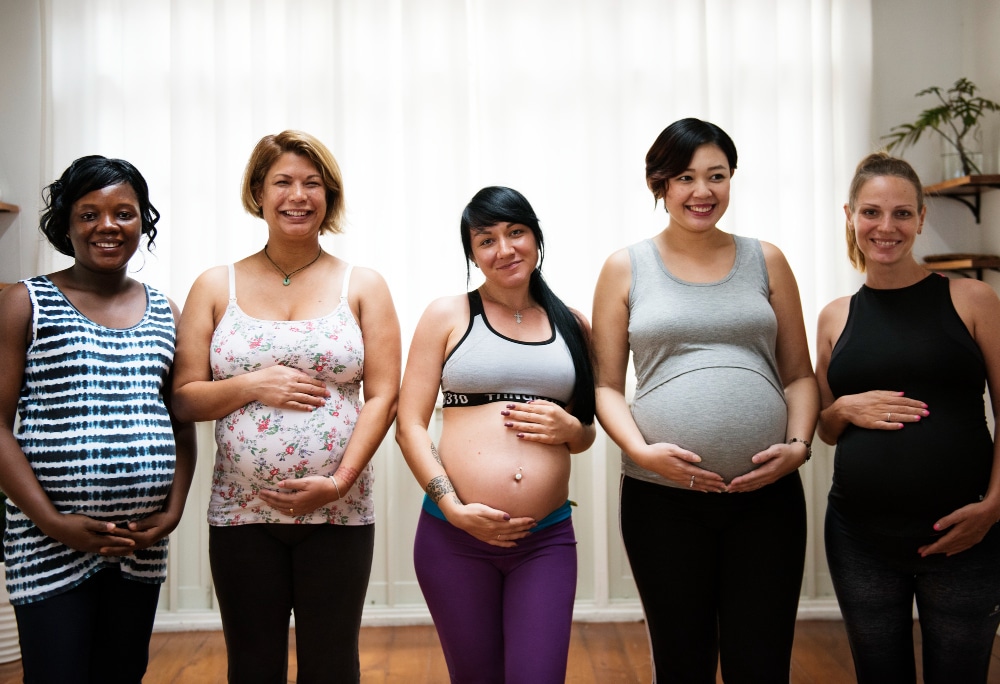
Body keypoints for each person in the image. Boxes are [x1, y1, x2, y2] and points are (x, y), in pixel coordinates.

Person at [591, 117, 819, 682]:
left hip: (766, 496)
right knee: (682, 659)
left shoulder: (767, 260)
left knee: (761, 661)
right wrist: (643, 453)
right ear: (659, 184)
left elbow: (800, 376)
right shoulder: (626, 267)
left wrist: (798, 445)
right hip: (662, 499)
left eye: (716, 176)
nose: (702, 192)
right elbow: (605, 387)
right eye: (686, 177)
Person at [172, 130, 401, 683]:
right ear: (257, 193)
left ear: (329, 196)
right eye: (283, 182)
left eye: (312, 183)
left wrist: (341, 480)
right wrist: (254, 385)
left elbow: (386, 394)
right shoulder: (214, 285)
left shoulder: (363, 284)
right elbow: (183, 397)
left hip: (339, 511)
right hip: (242, 512)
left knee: (332, 664)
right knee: (252, 666)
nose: (297, 195)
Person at [0, 155, 197, 683]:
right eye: (89, 214)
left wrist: (172, 511)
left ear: (143, 223)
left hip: (138, 546)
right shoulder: (26, 302)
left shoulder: (166, 310)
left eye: (124, 213)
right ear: (65, 223)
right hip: (48, 541)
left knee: (122, 671)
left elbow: (180, 421)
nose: (108, 226)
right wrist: (52, 521)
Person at [395, 186, 596, 683]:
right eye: (486, 240)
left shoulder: (573, 325)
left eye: (516, 233)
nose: (504, 249)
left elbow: (584, 433)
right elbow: (410, 426)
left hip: (543, 539)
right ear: (473, 254)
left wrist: (572, 427)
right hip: (454, 538)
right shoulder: (448, 315)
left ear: (536, 238)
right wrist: (454, 508)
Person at [815, 152, 1000, 683]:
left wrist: (993, 507)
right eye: (871, 212)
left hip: (966, 535)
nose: (886, 227)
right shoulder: (835, 316)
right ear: (850, 215)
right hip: (860, 538)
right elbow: (826, 428)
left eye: (902, 213)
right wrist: (843, 407)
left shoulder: (972, 298)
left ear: (921, 218)